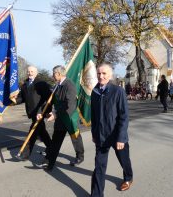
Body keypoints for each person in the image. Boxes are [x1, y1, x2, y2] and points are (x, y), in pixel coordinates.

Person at [90, 63, 133, 196]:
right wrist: (94, 133)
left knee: (124, 160)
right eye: (99, 73)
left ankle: (128, 177)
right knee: (99, 167)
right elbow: (94, 115)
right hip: (101, 136)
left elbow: (124, 116)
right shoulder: (95, 91)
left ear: (110, 75)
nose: (101, 76)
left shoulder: (118, 91)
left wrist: (121, 138)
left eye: (104, 73)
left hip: (117, 135)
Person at [38, 65, 85, 170]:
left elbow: (70, 104)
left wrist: (56, 114)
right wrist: (46, 112)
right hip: (59, 118)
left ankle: (80, 156)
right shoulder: (56, 86)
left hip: (70, 118)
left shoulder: (69, 84)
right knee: (56, 141)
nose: (52, 75)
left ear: (58, 74)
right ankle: (49, 162)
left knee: (75, 138)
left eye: (53, 73)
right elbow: (53, 102)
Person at [11, 66, 53, 160]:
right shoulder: (25, 84)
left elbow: (49, 99)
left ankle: (25, 154)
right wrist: (14, 101)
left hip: (40, 113)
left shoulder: (41, 83)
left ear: (36, 72)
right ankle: (52, 148)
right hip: (31, 112)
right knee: (42, 132)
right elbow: (22, 98)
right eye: (29, 71)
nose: (30, 73)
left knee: (32, 133)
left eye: (32, 71)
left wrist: (43, 112)